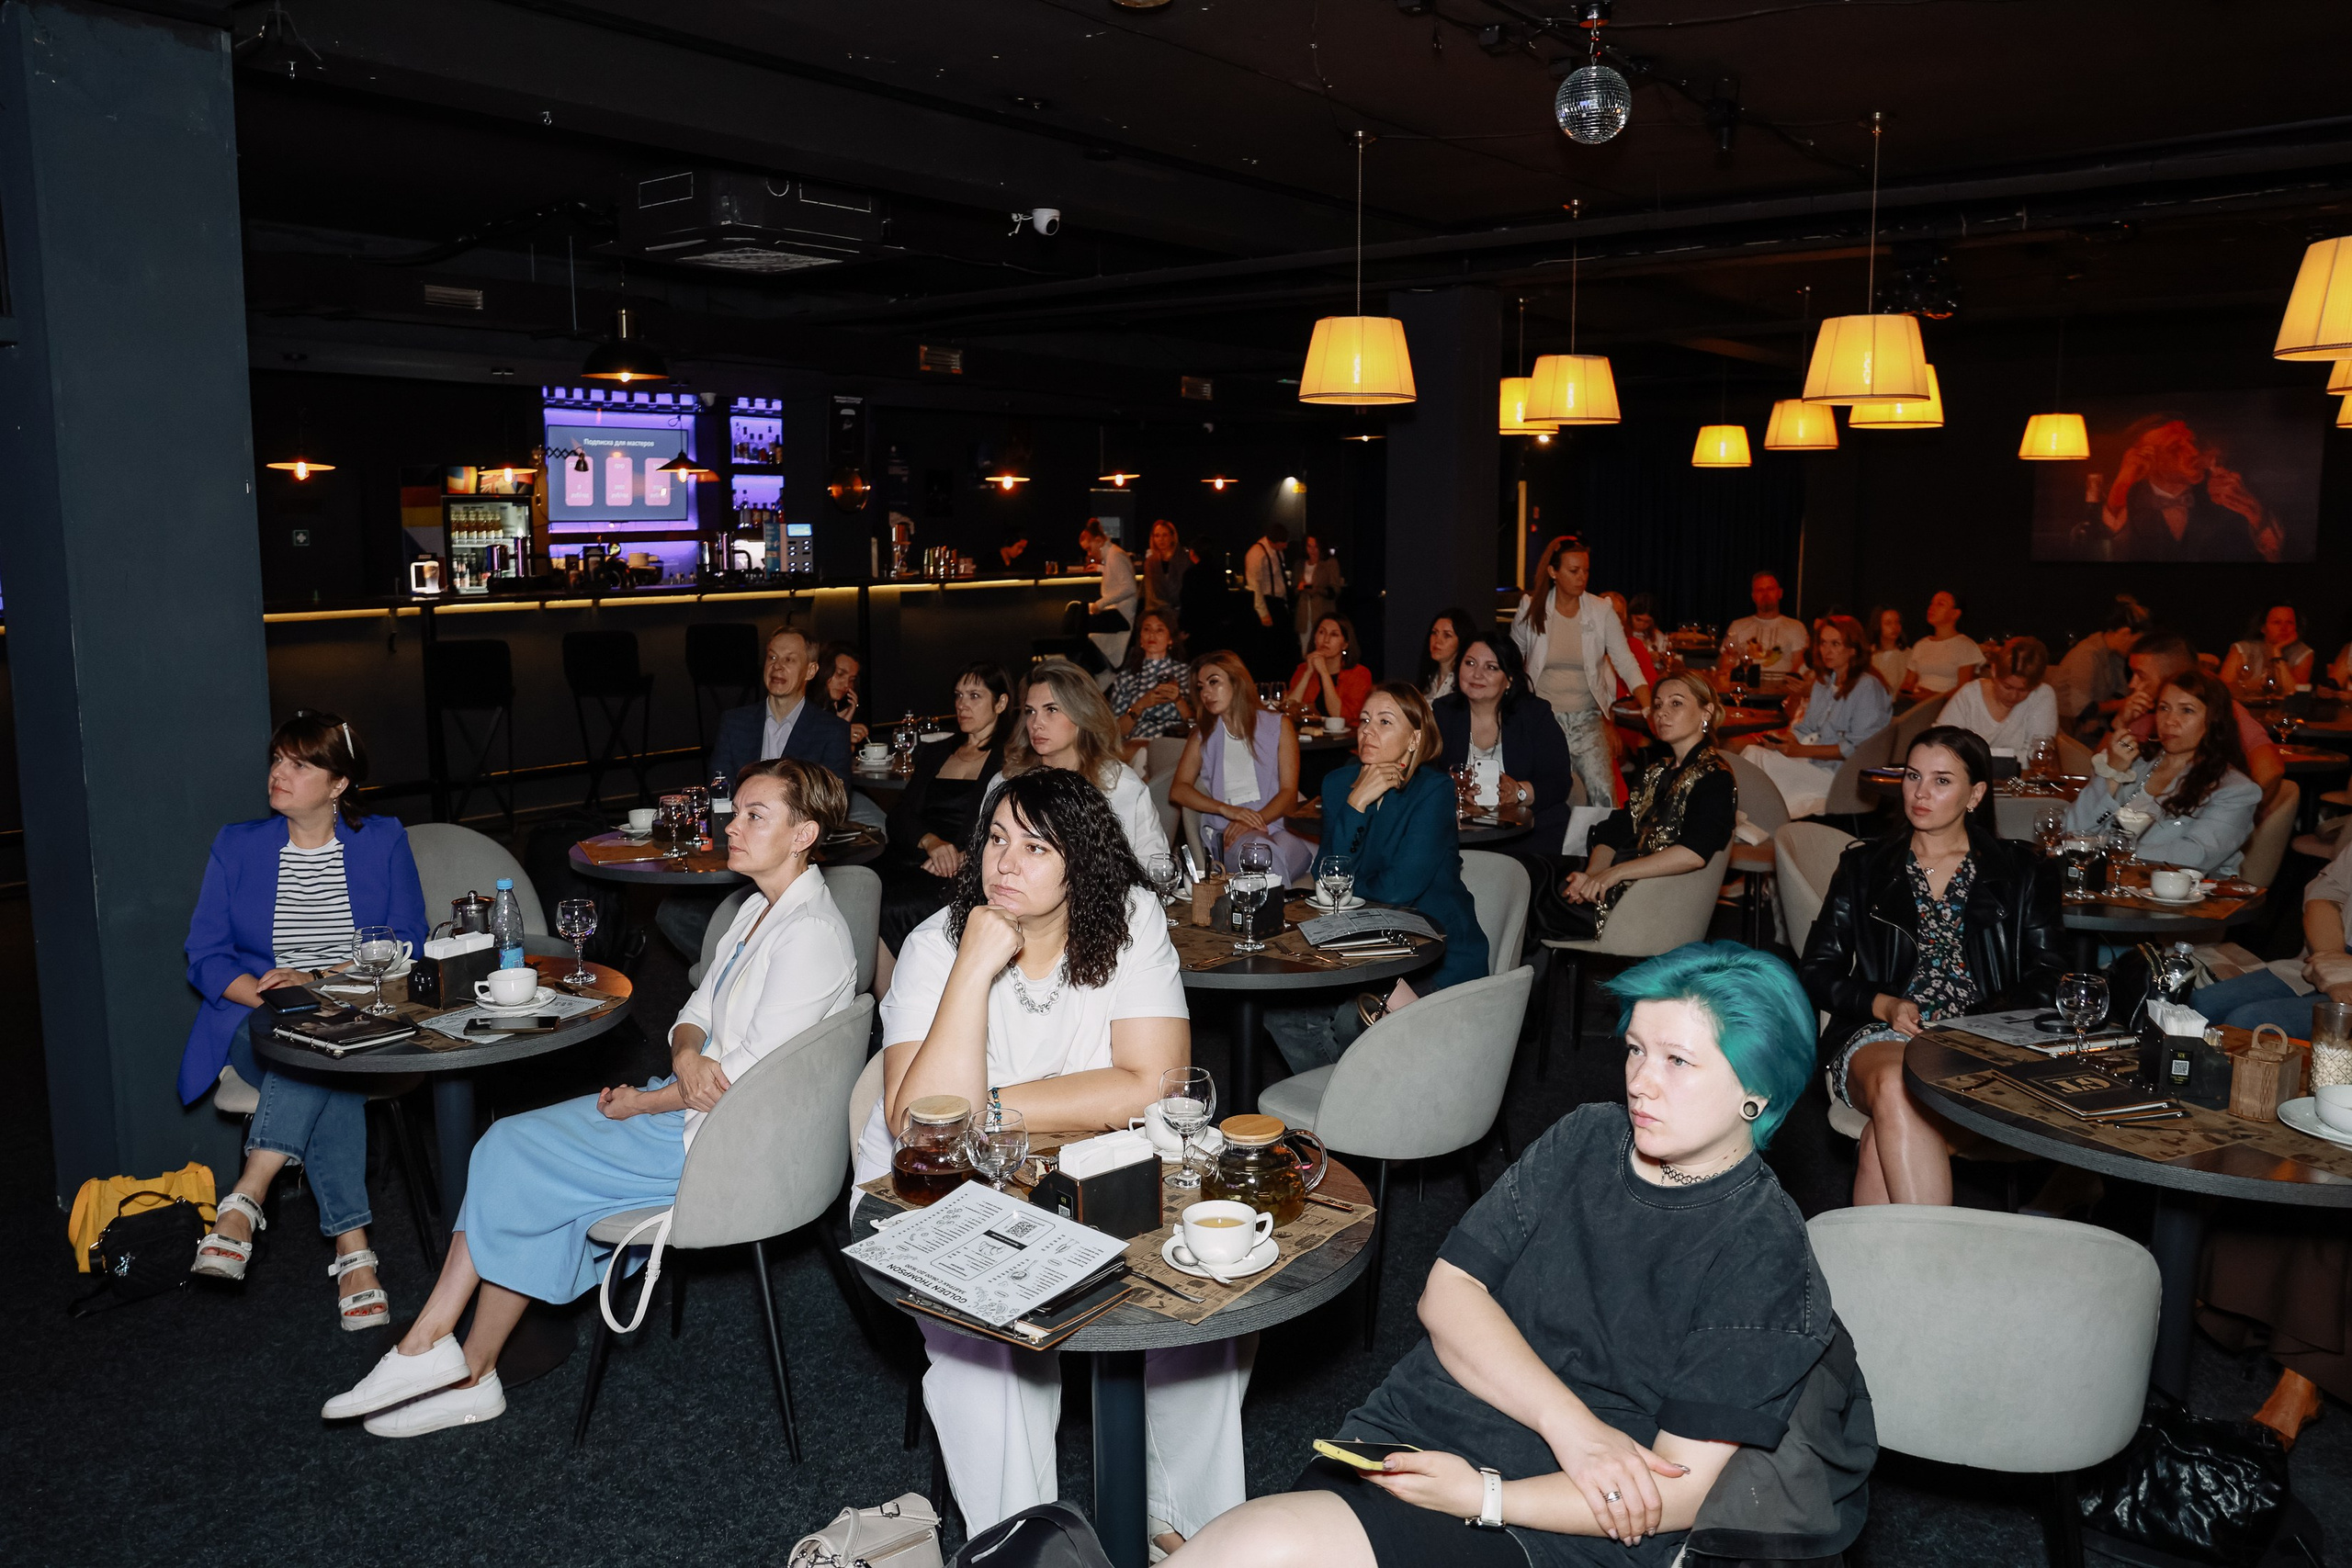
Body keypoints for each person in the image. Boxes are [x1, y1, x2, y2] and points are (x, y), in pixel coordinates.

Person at [1175, 944, 1866, 1568]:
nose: (1640, 1081)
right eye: (1635, 1049)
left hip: (1564, 1517)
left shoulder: (1764, 1249)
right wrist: (1573, 1427)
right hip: (1422, 1428)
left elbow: (1676, 1494)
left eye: (1677, 1061)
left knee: (1257, 1544)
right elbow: (1446, 1295)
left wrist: (1485, 1495)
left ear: (1757, 1090)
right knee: (1253, 1543)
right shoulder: (1587, 1137)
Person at [322, 759, 859, 1436]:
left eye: (756, 815)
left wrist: (642, 1103)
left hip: (727, 1147)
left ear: (804, 834)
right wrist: (686, 1055)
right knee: (509, 1152)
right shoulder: (758, 908)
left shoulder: (810, 934)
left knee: (508, 1150)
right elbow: (691, 1013)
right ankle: (467, 1369)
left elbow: (740, 1084)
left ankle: (434, 1348)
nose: (732, 826)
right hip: (691, 1109)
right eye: (737, 811)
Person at [862, 771, 1219, 1550]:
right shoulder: (937, 944)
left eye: (1034, 846)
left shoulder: (1131, 919)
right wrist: (972, 964)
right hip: (934, 1193)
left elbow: (1150, 1083)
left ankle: (1182, 1530)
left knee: (1206, 1312)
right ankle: (1025, 1550)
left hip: (1085, 1173)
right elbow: (920, 1132)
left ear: (1080, 862)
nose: (1003, 862)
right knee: (994, 1356)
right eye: (996, 838)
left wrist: (990, 1107)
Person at [182, 714, 428, 1330]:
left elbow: (408, 939)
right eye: (277, 759)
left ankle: (246, 1198)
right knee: (318, 1057)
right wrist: (273, 1000)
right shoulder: (237, 845)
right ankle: (354, 1254)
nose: (278, 773)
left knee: (326, 1055)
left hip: (357, 1013)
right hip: (257, 1020)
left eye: (299, 764)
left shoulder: (383, 839)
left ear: (339, 783)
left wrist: (316, 980)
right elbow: (205, 955)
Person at [1800, 726, 2065, 1206]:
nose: (1920, 793)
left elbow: (2049, 978)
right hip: (1881, 1035)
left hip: (1982, 1042)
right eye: (1912, 776)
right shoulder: (1865, 867)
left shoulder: (2022, 872)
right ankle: (1941, 1247)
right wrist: (1882, 1004)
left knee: (1879, 1142)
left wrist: (1971, 1025)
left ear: (1975, 794)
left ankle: (1899, 1258)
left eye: (1942, 780)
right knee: (1898, 1085)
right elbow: (1817, 970)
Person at [1268, 684, 1489, 1073]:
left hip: (1429, 950)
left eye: (1385, 722)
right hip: (1356, 944)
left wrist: (1346, 886)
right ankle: (1337, 1101)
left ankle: (1361, 1100)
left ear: (1415, 738)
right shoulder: (1339, 784)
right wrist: (1356, 804)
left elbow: (1398, 890)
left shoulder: (1433, 791)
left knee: (1353, 1019)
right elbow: (1325, 877)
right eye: (1365, 720)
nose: (1368, 730)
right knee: (1282, 1014)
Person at [1537, 672, 1736, 943]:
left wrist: (1613, 874)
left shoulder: (1715, 776)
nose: (1662, 713)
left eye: (1676, 703)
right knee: (1535, 872)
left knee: (1533, 896)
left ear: (1706, 712)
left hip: (1654, 900)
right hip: (1623, 883)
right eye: (1658, 705)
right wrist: (1594, 874)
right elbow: (1614, 829)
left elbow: (1693, 854)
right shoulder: (1657, 771)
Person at [876, 662, 1014, 968]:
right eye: (958, 695)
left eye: (974, 696)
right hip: (915, 854)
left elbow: (1006, 827)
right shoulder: (937, 752)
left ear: (1001, 703)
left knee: (891, 906)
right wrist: (930, 842)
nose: (962, 704)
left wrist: (963, 857)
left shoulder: (1011, 758)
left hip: (961, 867)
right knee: (863, 888)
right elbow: (899, 815)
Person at [2071, 669, 2262, 874]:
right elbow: (2072, 832)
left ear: (2214, 720)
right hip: (2106, 884)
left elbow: (2193, 857)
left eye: (2186, 710)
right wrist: (2112, 772)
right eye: (2163, 708)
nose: (2170, 721)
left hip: (2180, 892)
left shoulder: (2236, 790)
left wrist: (2108, 854)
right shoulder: (2135, 763)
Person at [1510, 536, 1652, 811]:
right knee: (1549, 795)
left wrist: (1649, 707)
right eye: (1574, 571)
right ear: (1553, 572)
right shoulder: (1531, 606)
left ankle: (1600, 840)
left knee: (1603, 796)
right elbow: (1511, 661)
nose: (1582, 577)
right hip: (1543, 719)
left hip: (1587, 719)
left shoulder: (1601, 610)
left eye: (1586, 571)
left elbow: (1625, 662)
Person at [999, 658, 1170, 864]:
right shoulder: (1008, 781)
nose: (1036, 723)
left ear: (1082, 713)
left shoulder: (1119, 784)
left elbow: (1155, 866)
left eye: (1051, 709)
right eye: (1030, 711)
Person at [1431, 635, 1576, 866]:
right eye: (1470, 663)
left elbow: (1559, 782)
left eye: (1491, 667)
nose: (1477, 674)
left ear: (1508, 679)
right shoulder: (1443, 713)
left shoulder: (1534, 715)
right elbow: (1423, 772)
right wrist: (1451, 787)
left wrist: (1518, 792)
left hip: (1529, 834)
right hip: (1459, 836)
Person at [1733, 615, 1893, 821]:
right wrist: (1786, 740)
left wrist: (1801, 750)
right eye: (1823, 643)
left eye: (1835, 644)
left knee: (1753, 757)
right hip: (1812, 762)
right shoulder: (1823, 682)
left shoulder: (1868, 687)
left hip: (1839, 776)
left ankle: (1751, 820)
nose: (1827, 650)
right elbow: (1805, 728)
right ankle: (1755, 819)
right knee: (1753, 754)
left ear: (1853, 649)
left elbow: (1857, 748)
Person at [1171, 649, 1311, 884]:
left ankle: (1265, 902)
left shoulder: (1279, 725)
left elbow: (1289, 795)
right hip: (1228, 834)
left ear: (1237, 682)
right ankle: (1273, 905)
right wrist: (1226, 810)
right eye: (1201, 687)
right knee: (1260, 854)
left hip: (1277, 826)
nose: (1206, 693)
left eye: (1214, 682)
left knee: (1297, 857)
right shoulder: (1202, 735)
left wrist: (1250, 820)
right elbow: (1178, 789)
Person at [2108, 628, 2284, 798]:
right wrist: (2119, 723)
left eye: (2140, 675)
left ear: (2174, 676)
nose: (2132, 684)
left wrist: (2235, 810)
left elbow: (2271, 770)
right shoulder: (2141, 712)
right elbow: (2103, 775)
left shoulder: (2217, 708)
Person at [2093, 416, 2284, 563]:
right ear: (2145, 461)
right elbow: (2101, 554)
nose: (2193, 452)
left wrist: (2255, 512)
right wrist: (2122, 486)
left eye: (2191, 442)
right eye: (2176, 447)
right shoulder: (2122, 501)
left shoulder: (2225, 493)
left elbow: (2274, 558)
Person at [708, 625, 854, 785]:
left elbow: (834, 797)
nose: (777, 666)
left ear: (810, 671)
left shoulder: (831, 731)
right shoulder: (734, 724)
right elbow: (718, 790)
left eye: (789, 660)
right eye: (772, 657)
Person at [1939, 637, 2059, 753]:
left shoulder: (2042, 695)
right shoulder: (1969, 695)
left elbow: (2038, 753)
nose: (2014, 696)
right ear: (1994, 671)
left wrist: (1976, 756)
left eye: (2024, 690)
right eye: (2007, 687)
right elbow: (1940, 742)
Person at [2049, 598, 2147, 739]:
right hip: (2068, 729)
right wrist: (2128, 703)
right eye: (2137, 641)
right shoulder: (2087, 655)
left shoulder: (2115, 656)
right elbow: (2084, 709)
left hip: (2091, 724)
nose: (2137, 648)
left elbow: (2120, 692)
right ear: (2125, 633)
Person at [1110, 610, 1193, 748]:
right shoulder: (1125, 678)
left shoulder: (1186, 674)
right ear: (1140, 639)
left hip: (1175, 744)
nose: (1152, 635)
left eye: (1159, 630)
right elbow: (1116, 733)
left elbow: (1196, 726)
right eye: (1147, 629)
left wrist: (1179, 701)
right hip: (1137, 744)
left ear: (1170, 639)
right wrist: (1140, 705)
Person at [1287, 614, 1374, 728]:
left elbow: (1340, 716)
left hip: (1346, 736)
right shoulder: (1303, 669)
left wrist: (1324, 673)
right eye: (1321, 632)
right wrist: (1307, 673)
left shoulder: (1360, 674)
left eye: (1334, 634)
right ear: (1314, 638)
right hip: (1307, 734)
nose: (1326, 640)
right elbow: (1289, 711)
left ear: (1345, 645)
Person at [1723, 571, 1810, 679]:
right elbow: (1726, 662)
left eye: (1770, 589)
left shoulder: (1796, 627)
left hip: (1782, 686)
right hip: (1745, 685)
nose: (1765, 594)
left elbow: (1799, 664)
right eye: (1760, 590)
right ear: (1753, 596)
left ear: (1780, 593)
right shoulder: (1737, 626)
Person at [1896, 591, 1983, 697]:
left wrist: (1933, 697)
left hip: (1947, 704)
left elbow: (1964, 690)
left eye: (1940, 604)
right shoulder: (1921, 645)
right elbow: (1908, 683)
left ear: (1955, 614)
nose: (1932, 608)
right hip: (1917, 703)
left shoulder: (1966, 645)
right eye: (1931, 604)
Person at [2220, 603, 2314, 697]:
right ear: (2263, 627)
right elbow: (2222, 689)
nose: (2284, 628)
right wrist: (2249, 686)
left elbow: (2294, 693)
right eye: (2277, 622)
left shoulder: (2303, 653)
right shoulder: (2243, 649)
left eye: (2289, 622)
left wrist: (2277, 652)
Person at [1081, 518, 1138, 667]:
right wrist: (1101, 569)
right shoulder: (1113, 554)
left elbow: (1129, 587)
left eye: (1089, 549)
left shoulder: (1115, 555)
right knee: (1079, 618)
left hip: (1121, 614)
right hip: (1118, 612)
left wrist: (1100, 604)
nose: (1089, 553)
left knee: (1080, 622)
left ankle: (1092, 668)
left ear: (1099, 541)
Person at [1244, 522, 1294, 678]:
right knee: (1269, 650)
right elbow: (1254, 587)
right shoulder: (1256, 554)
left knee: (1284, 647)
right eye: (1282, 543)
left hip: (1279, 603)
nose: (1285, 546)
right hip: (1267, 604)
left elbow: (1279, 579)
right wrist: (1263, 614)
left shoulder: (1278, 552)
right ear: (1272, 541)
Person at [1419, 606, 1479, 702]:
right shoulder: (1428, 680)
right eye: (1434, 633)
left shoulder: (1466, 684)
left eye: (1447, 635)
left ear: (1461, 641)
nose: (1437, 641)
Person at [817, 639, 870, 749]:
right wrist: (840, 731)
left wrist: (842, 724)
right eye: (840, 674)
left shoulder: (836, 708)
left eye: (851, 680)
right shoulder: (804, 705)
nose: (846, 684)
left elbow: (841, 756)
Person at [1295, 535, 1343, 650]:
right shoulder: (1299, 565)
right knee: (1306, 651)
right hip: (1304, 614)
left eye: (1315, 546)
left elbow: (1335, 590)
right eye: (1309, 546)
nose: (1312, 550)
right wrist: (1300, 588)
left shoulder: (1329, 563)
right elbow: (1293, 591)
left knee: (1323, 649)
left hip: (1322, 612)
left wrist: (1317, 590)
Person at [1863, 605, 1910, 696]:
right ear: (1878, 626)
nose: (1894, 627)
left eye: (1897, 622)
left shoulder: (1908, 654)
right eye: (1888, 623)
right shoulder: (1868, 654)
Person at [1143, 518, 1185, 621]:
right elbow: (1150, 592)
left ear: (1172, 537)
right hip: (1158, 612)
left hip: (1182, 611)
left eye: (1165, 535)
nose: (1161, 539)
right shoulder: (1150, 562)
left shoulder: (1184, 559)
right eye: (1157, 536)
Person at [1623, 593, 1668, 661]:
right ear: (1629, 616)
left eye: (1647, 622)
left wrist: (1660, 657)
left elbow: (1670, 658)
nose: (1642, 625)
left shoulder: (1658, 636)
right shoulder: (1621, 634)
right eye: (1638, 620)